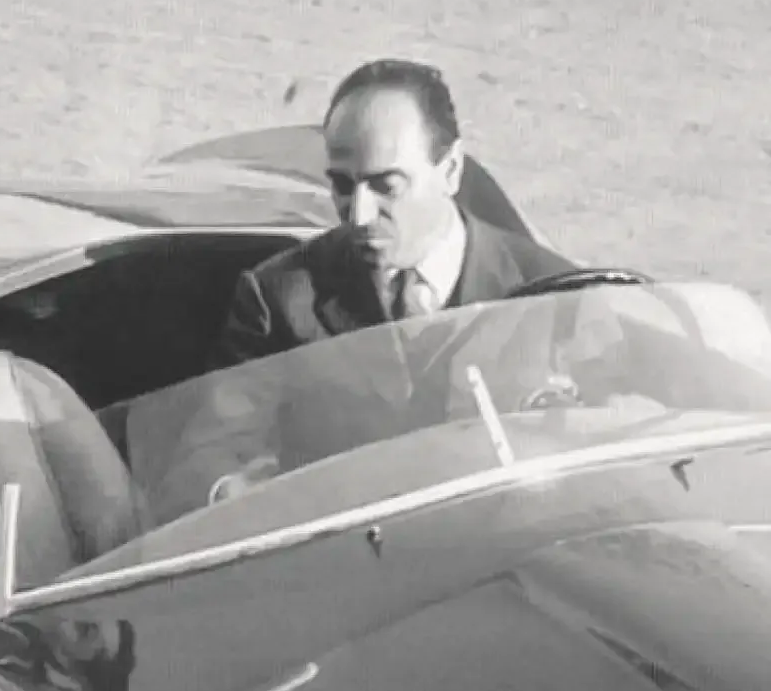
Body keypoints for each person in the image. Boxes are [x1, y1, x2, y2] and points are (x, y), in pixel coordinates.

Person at [145, 59, 577, 523]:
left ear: (451, 170)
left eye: (386, 186)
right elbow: (205, 458)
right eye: (342, 185)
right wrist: (238, 494)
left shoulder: (556, 294)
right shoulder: (280, 297)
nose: (359, 216)